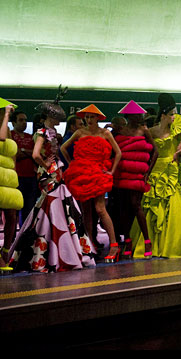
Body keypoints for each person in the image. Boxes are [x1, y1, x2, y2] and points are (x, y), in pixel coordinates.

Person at [9, 88, 97, 272]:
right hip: (50, 173)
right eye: (57, 117)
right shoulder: (42, 132)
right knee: (52, 205)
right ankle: (55, 247)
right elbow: (35, 154)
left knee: (54, 205)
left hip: (55, 171)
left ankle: (56, 246)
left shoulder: (49, 131)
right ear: (51, 117)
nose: (60, 120)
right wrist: (46, 164)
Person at [128, 92, 181, 258]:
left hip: (170, 170)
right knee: (151, 203)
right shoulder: (152, 131)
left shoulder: (175, 131)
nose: (174, 117)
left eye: (174, 114)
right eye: (171, 114)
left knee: (172, 202)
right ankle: (150, 242)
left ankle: (173, 243)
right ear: (163, 116)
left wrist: (178, 152)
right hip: (155, 169)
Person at [61, 104, 122, 263]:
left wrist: (111, 171)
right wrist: (72, 163)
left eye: (92, 117)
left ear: (98, 118)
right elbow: (63, 148)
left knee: (100, 208)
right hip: (81, 173)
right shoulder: (80, 132)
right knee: (85, 210)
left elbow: (118, 153)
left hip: (98, 173)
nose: (89, 119)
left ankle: (114, 245)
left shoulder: (105, 133)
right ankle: (89, 244)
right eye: (87, 117)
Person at [112, 100, 158, 259]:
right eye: (137, 114)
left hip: (138, 174)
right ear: (129, 116)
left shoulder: (144, 130)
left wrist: (148, 171)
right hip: (123, 173)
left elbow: (155, 151)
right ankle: (128, 241)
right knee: (123, 208)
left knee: (136, 205)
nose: (140, 117)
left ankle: (147, 241)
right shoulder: (121, 131)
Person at [0, 100, 23, 273]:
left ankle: (5, 251)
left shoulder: (6, 128)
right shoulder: (4, 128)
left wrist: (13, 174)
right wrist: (7, 115)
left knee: (12, 215)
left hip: (7, 178)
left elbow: (12, 152)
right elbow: (1, 139)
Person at [10, 110, 38, 226]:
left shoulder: (30, 137)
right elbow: (15, 154)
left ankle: (25, 233)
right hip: (16, 177)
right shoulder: (10, 135)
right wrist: (29, 152)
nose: (24, 122)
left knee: (29, 208)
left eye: (25, 120)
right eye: (21, 120)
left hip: (31, 176)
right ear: (13, 123)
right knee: (14, 210)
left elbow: (36, 153)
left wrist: (23, 150)